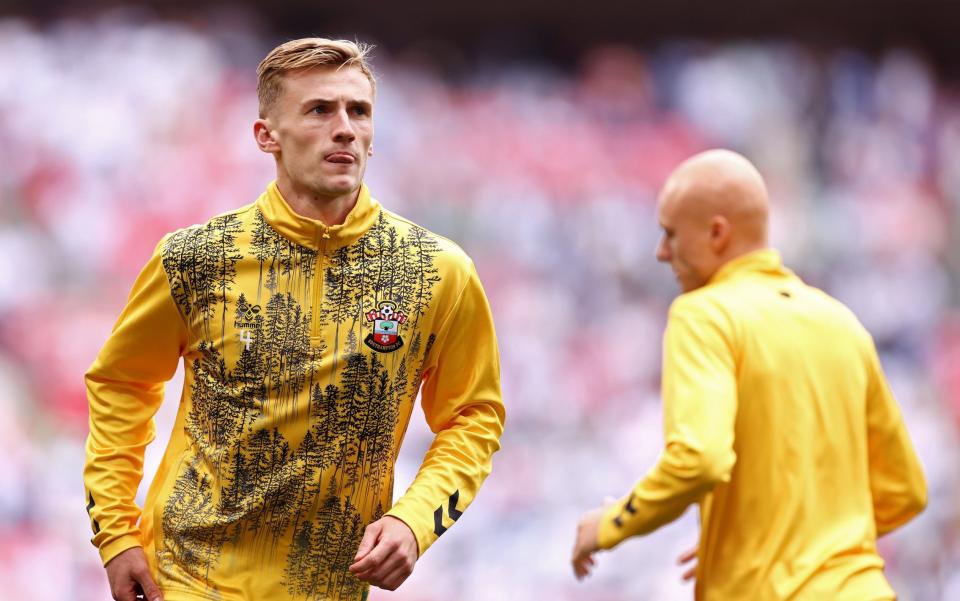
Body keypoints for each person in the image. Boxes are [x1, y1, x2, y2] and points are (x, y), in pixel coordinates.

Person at [83, 38, 505, 601]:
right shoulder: (195, 259)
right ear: (267, 136)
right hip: (186, 578)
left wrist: (415, 519)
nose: (345, 128)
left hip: (328, 588)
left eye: (359, 111)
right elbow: (121, 385)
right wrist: (116, 534)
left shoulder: (437, 272)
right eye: (319, 110)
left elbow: (473, 416)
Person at [571, 149, 927, 599]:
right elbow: (904, 490)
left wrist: (610, 523)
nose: (662, 253)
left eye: (670, 234)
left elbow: (699, 460)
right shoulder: (841, 322)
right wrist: (760, 540)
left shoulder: (704, 314)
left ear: (717, 233)